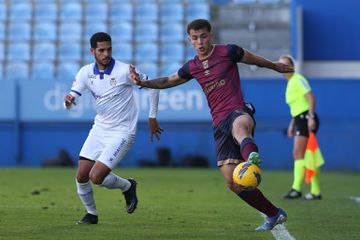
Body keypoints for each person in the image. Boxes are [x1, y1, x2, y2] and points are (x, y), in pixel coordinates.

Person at [129, 19, 294, 231]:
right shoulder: (192, 67)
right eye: (195, 38)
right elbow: (166, 81)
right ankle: (273, 214)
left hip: (238, 110)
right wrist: (142, 82)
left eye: (204, 36)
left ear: (211, 36)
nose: (200, 42)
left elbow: (254, 59)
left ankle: (252, 157)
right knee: (232, 182)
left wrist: (275, 66)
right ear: (189, 40)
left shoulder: (229, 51)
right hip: (218, 122)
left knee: (240, 128)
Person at [63, 32, 163, 224]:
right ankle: (91, 215)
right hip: (100, 129)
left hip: (122, 132)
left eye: (109, 49)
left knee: (96, 176)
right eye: (101, 50)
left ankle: (127, 186)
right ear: (92, 51)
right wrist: (68, 102)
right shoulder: (85, 72)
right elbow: (71, 97)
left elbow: (153, 86)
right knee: (81, 175)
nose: (106, 53)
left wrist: (152, 117)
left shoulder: (125, 70)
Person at [279, 55, 322, 200]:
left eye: (286, 65)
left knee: (298, 153)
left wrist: (310, 117)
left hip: (305, 118)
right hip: (299, 119)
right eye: (281, 66)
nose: (284, 68)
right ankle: (315, 191)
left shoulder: (298, 79)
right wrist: (292, 124)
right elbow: (296, 107)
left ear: (292, 66)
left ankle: (296, 189)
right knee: (306, 154)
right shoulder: (290, 83)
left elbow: (311, 97)